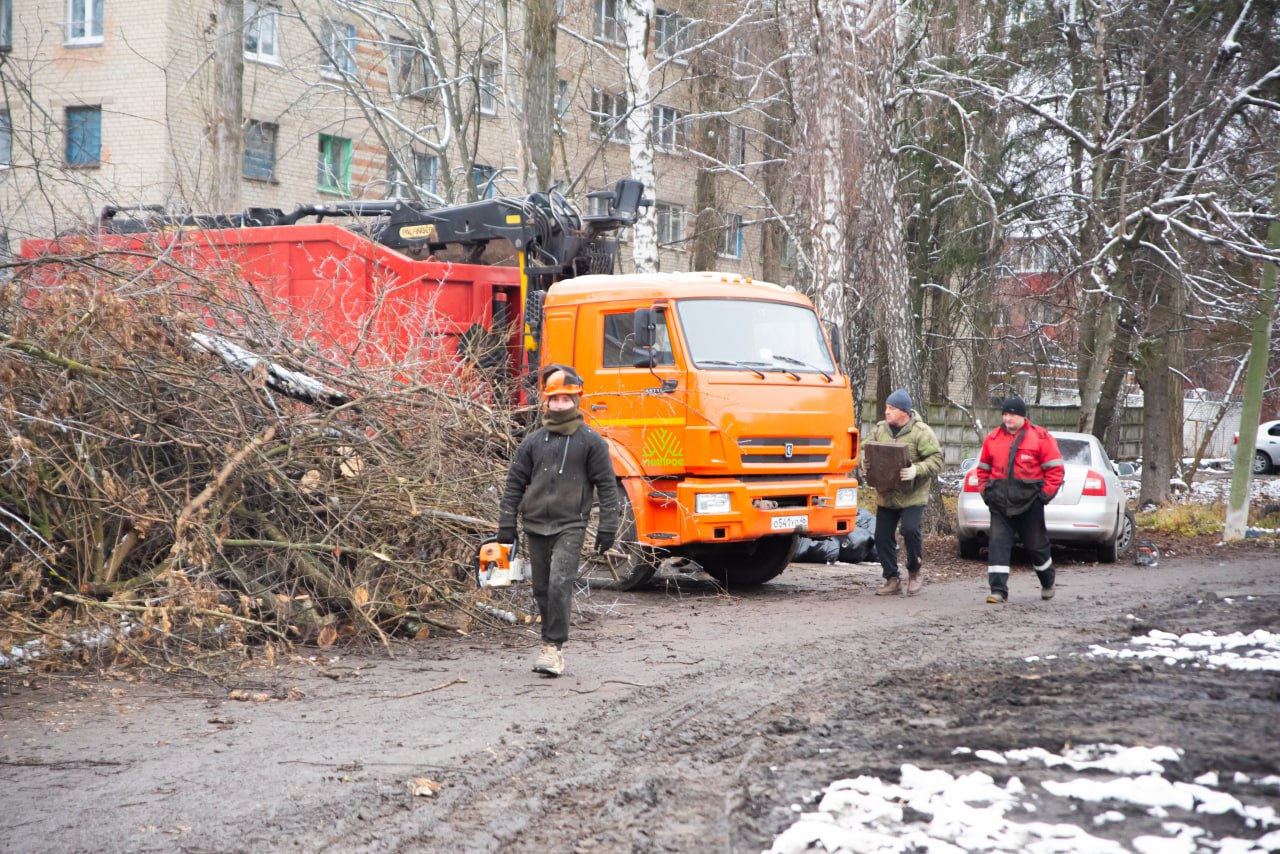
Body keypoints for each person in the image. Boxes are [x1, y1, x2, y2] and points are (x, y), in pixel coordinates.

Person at [497, 365, 619, 676]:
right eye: (555, 399)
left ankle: (553, 648)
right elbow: (514, 483)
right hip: (535, 524)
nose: (561, 405)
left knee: (559, 583)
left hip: (571, 524)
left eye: (567, 399)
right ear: (546, 402)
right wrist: (506, 524)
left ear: (577, 400)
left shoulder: (591, 441)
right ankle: (548, 642)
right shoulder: (534, 442)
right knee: (540, 589)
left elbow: (607, 485)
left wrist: (607, 527)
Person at [974, 396, 1065, 604]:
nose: (1007, 419)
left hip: (1030, 503)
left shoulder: (1041, 437)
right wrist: (986, 493)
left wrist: (1043, 497)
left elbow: (1055, 470)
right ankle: (998, 591)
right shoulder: (993, 438)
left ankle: (1047, 581)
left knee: (1036, 546)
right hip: (999, 503)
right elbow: (983, 470)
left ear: (1023, 416)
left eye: (1012, 415)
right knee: (997, 545)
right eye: (1005, 414)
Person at [866, 389, 943, 596]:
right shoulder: (880, 429)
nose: (886, 412)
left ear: (904, 412)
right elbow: (866, 450)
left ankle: (915, 571)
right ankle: (892, 579)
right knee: (881, 536)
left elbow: (936, 459)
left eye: (891, 408)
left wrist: (916, 470)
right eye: (886, 407)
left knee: (910, 530)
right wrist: (866, 464)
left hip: (912, 494)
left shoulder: (921, 432)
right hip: (886, 494)